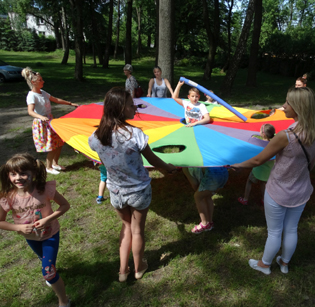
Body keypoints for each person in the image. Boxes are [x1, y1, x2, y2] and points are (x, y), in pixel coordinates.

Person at [88, 87, 177, 282]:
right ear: (120, 109)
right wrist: (168, 168)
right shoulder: (134, 134)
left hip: (115, 192)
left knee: (126, 226)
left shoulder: (95, 137)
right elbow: (153, 160)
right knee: (137, 230)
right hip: (138, 191)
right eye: (130, 105)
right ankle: (138, 268)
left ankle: (122, 271)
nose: (134, 108)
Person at [231, 87, 315, 275]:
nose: (283, 106)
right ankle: (284, 263)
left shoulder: (286, 136)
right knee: (291, 229)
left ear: (298, 107)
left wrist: (239, 165)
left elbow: (259, 160)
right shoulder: (312, 132)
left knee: (275, 231)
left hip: (278, 190)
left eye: (288, 103)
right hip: (302, 189)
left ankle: (265, 265)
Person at [0, 153, 71, 307]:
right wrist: (17, 228)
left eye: (23, 173)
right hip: (31, 238)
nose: (18, 178)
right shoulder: (8, 197)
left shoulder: (45, 189)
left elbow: (65, 205)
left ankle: (64, 302)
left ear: (34, 173)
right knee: (44, 260)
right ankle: (47, 264)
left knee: (48, 271)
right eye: (13, 174)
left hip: (50, 234)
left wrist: (48, 219)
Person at [21, 67, 78, 175]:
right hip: (42, 123)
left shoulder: (42, 92)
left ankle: (55, 164)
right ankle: (48, 167)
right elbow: (30, 111)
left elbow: (55, 99)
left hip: (50, 121)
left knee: (59, 142)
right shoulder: (31, 96)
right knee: (51, 145)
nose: (43, 81)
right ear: (33, 82)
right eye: (40, 80)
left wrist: (70, 103)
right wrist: (41, 117)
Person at [238, 124, 275, 206]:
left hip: (257, 170)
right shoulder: (274, 145)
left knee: (249, 182)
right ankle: (264, 199)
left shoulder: (258, 144)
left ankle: (245, 199)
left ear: (263, 134)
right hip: (267, 171)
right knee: (263, 184)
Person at [184, 167, 229, 233]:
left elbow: (194, 184)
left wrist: (197, 191)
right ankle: (210, 222)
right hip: (224, 172)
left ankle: (204, 224)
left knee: (198, 197)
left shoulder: (185, 167)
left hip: (212, 175)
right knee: (207, 197)